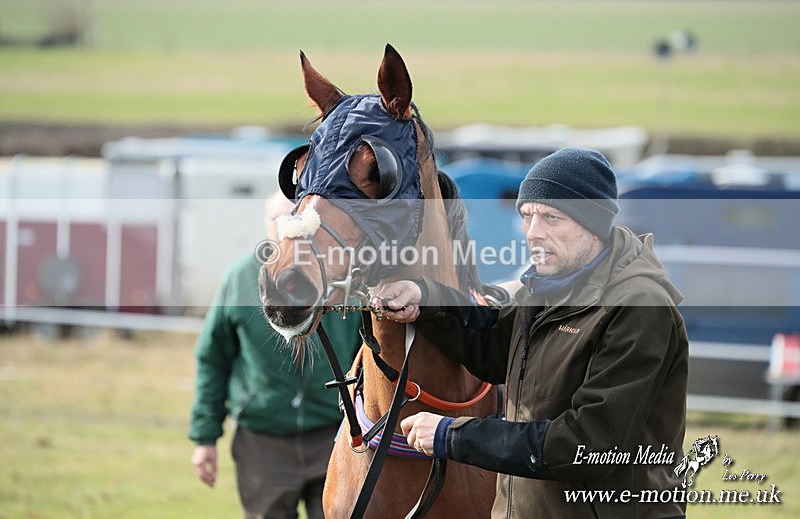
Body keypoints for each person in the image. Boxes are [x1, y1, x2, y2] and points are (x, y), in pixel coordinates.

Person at [375, 148, 689, 518]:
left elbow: (586, 444)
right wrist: (426, 298)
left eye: (551, 217)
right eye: (527, 216)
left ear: (593, 224)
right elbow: (493, 351)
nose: (533, 233)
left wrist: (452, 435)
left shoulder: (639, 307)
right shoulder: (548, 286)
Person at [189, 191, 362, 519]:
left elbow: (368, 353)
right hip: (263, 440)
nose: (288, 232)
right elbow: (213, 357)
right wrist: (204, 436)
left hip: (333, 434)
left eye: (296, 222)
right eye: (278, 221)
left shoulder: (339, 279)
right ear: (266, 223)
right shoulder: (240, 278)